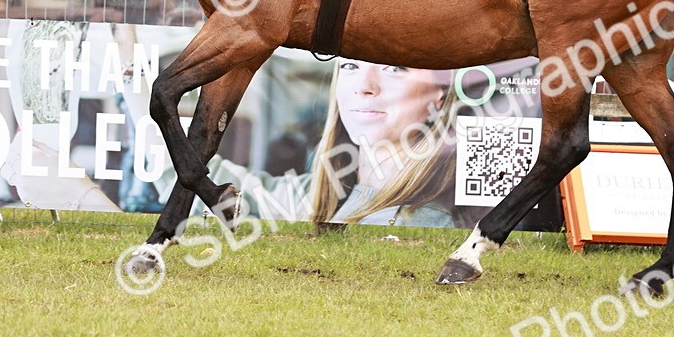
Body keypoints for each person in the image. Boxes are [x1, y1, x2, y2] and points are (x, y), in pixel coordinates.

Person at [158, 59, 473, 227]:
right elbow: (199, 178)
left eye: (395, 68)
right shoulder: (317, 195)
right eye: (350, 66)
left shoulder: (426, 224)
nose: (364, 86)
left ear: (441, 92)